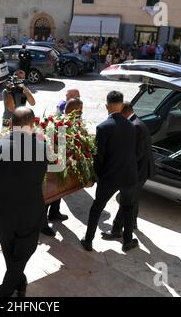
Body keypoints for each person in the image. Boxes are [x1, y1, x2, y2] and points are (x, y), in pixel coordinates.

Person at [0, 107, 49, 297]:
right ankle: (3, 293)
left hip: (1, 211)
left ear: (11, 124)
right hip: (29, 211)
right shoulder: (42, 148)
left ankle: (19, 282)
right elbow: (40, 176)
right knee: (21, 254)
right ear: (32, 125)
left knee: (10, 252)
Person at [80, 91, 139, 252]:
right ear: (121, 105)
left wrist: (95, 176)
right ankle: (127, 241)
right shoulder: (132, 126)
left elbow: (99, 156)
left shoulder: (103, 127)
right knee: (127, 208)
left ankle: (89, 240)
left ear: (107, 106)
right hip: (129, 175)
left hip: (109, 176)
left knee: (97, 208)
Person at [102, 103, 155, 240]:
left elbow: (137, 153)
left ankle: (116, 230)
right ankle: (132, 223)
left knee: (126, 200)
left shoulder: (135, 126)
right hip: (142, 170)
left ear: (124, 113)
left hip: (138, 171)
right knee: (133, 197)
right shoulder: (137, 122)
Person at [41, 98, 84, 237]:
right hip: (53, 164)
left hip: (61, 164)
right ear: (75, 110)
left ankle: (54, 213)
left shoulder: (69, 122)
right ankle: (42, 224)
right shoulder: (60, 124)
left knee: (59, 189)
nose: (82, 113)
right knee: (49, 193)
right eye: (80, 110)